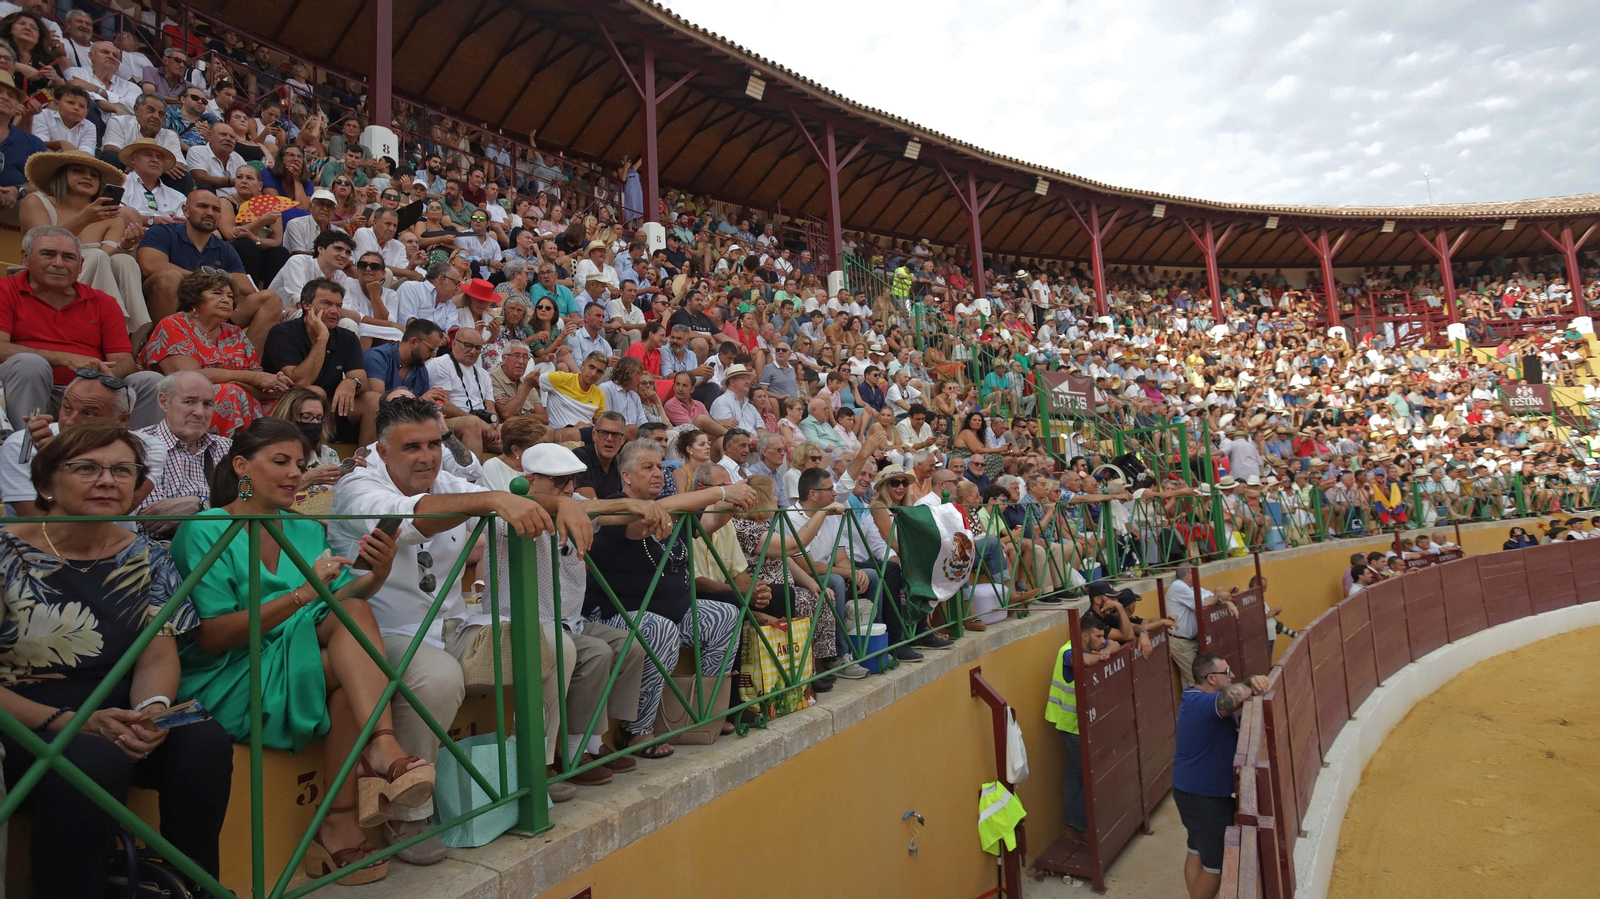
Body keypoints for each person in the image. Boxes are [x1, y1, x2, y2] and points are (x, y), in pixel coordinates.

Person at [170, 417, 436, 881]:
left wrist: (378, 571)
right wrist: (298, 598)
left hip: (293, 660)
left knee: (351, 647)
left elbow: (344, 607)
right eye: (280, 462)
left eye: (301, 463)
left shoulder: (305, 529)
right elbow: (212, 638)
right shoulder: (205, 528)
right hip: (231, 673)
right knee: (351, 661)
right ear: (241, 466)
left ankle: (344, 812)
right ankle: (364, 777)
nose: (295, 473)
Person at [328, 397, 589, 849]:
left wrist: (559, 503)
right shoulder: (356, 486)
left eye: (434, 442)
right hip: (381, 633)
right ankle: (410, 812)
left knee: (553, 642)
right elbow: (411, 521)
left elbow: (498, 497)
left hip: (452, 625)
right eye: (412, 447)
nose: (427, 455)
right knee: (439, 677)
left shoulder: (446, 478)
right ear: (383, 451)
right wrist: (490, 498)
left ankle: (536, 769)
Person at [0, 423, 233, 899]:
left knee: (202, 737)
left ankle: (192, 885)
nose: (107, 480)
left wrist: (150, 711)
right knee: (91, 759)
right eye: (86, 468)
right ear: (45, 485)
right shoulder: (6, 552)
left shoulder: (147, 556)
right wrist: (71, 723)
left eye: (122, 470)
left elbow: (157, 654)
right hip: (21, 718)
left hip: (118, 713)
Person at [581, 438, 756, 758]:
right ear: (626, 476)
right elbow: (644, 522)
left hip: (675, 608)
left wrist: (731, 503)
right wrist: (719, 492)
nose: (658, 473)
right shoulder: (619, 507)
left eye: (661, 466)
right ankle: (637, 731)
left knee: (725, 615)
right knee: (660, 629)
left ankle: (700, 712)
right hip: (619, 614)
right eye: (647, 467)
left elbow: (708, 522)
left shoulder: (669, 507)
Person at [0, 225, 164, 431]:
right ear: (25, 257)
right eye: (48, 254)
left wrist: (95, 379)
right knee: (29, 364)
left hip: (93, 396)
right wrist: (64, 358)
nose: (58, 263)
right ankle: (25, 449)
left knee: (150, 381)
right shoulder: (4, 290)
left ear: (80, 266)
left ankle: (129, 456)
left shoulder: (103, 302)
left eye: (68, 257)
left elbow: (124, 360)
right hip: (30, 388)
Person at [139, 268, 288, 434]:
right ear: (194, 300)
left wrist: (272, 386)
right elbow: (186, 376)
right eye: (217, 293)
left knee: (287, 401)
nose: (226, 300)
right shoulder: (174, 325)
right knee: (229, 393)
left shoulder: (235, 333)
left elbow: (258, 384)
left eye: (230, 296)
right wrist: (246, 379)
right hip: (181, 400)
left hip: (238, 395)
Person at [136, 188, 284, 351]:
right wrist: (207, 278)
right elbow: (149, 264)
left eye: (216, 209)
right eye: (202, 206)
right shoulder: (162, 232)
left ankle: (245, 363)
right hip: (174, 304)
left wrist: (209, 286)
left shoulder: (224, 247)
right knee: (169, 278)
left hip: (211, 308)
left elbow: (246, 287)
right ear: (186, 210)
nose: (210, 213)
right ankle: (162, 350)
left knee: (271, 299)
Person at [1174, 653, 1269, 899]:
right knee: (1215, 865)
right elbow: (1232, 698)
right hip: (1204, 798)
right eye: (1227, 673)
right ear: (1211, 678)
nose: (1233, 675)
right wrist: (1251, 682)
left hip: (1193, 792)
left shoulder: (1196, 699)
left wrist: (1248, 681)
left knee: (1196, 849)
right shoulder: (1203, 704)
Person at [19, 151, 145, 329]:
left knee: (124, 261)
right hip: (44, 272)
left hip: (93, 276)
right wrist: (83, 219)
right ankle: (95, 324)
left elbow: (109, 258)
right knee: (94, 256)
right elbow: (40, 246)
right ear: (62, 175)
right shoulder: (36, 201)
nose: (87, 177)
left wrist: (125, 245)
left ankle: (129, 332)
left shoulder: (111, 216)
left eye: (94, 175)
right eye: (78, 171)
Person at [261, 279, 380, 442]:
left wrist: (352, 382)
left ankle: (366, 462)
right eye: (326, 303)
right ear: (306, 305)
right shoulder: (282, 333)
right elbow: (300, 382)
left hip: (330, 405)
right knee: (315, 393)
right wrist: (322, 338)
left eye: (339, 305)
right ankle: (307, 457)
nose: (335, 311)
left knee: (373, 400)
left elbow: (363, 382)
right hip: (288, 404)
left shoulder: (347, 338)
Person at [131, 370, 232, 536]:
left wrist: (201, 504)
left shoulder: (228, 449)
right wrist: (220, 508)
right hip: (161, 551)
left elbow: (249, 501)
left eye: (207, 404)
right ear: (164, 402)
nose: (199, 412)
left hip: (222, 547)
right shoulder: (139, 446)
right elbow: (149, 520)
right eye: (189, 401)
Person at [1045, 613, 1118, 835]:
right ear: (1084, 636)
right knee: (1089, 772)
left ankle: (1074, 823)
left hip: (1074, 722)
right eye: (1097, 637)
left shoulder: (1094, 645)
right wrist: (1101, 656)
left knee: (1074, 772)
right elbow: (1081, 661)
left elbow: (1114, 643)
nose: (1101, 640)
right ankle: (1079, 823)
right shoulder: (1067, 649)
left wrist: (1106, 650)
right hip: (1069, 724)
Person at [424, 323, 500, 453]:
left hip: (479, 422)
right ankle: (473, 472)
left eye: (477, 348)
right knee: (472, 424)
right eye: (468, 345)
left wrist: (493, 424)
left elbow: (491, 407)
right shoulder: (440, 364)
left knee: (518, 428)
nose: (473, 351)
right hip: (448, 420)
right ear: (454, 344)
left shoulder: (483, 374)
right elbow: (443, 404)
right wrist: (480, 423)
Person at [1165, 565, 1237, 689]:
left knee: (1189, 680)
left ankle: (1190, 706)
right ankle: (1193, 707)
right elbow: (1204, 602)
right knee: (1195, 681)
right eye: (1195, 574)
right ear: (1188, 575)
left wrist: (1225, 600)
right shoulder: (1178, 587)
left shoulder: (1190, 588)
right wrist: (1220, 597)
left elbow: (1210, 598)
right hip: (1181, 642)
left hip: (1188, 641)